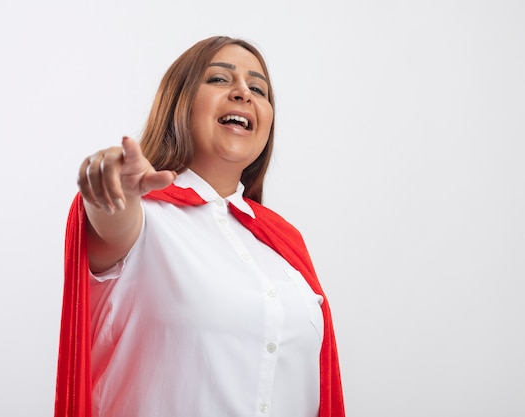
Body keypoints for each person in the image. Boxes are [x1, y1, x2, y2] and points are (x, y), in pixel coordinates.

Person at [54, 35, 345, 417]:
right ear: (180, 103)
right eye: (220, 79)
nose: (243, 92)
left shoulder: (284, 245)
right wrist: (112, 187)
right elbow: (112, 217)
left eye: (258, 88)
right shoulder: (143, 220)